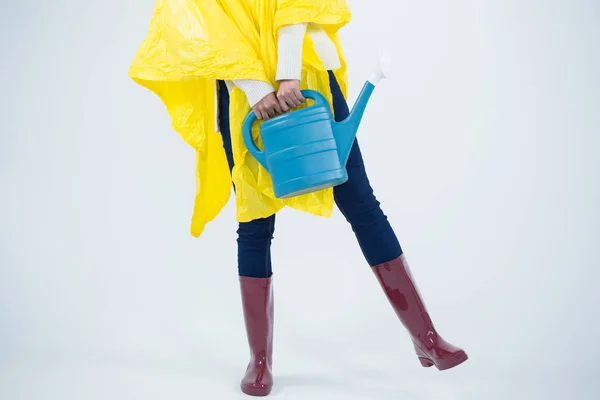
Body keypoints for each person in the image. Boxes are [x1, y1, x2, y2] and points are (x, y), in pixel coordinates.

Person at [129, 0, 468, 396]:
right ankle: (259, 361)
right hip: (242, 98)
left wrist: (287, 74)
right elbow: (200, 26)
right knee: (254, 224)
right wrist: (256, 88)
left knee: (360, 203)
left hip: (309, 80)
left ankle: (425, 337)